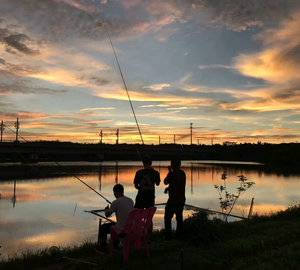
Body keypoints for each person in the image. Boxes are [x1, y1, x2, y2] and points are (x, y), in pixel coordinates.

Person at [95, 184, 134, 254]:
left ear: (115, 192)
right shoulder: (130, 200)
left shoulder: (115, 202)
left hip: (122, 229)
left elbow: (107, 215)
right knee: (116, 224)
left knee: (103, 228)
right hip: (130, 228)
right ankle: (115, 245)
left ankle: (102, 248)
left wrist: (106, 209)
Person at [164, 157, 186, 240]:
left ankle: (168, 236)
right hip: (181, 199)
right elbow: (176, 185)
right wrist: (168, 188)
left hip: (173, 200)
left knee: (167, 218)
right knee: (179, 218)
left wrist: (169, 172)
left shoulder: (172, 174)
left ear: (172, 165)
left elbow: (166, 181)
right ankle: (179, 235)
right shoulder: (182, 173)